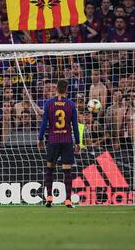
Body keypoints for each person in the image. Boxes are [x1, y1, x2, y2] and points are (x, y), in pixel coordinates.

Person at [38, 79, 80, 209]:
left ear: (56, 88)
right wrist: (77, 142)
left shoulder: (49, 103)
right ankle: (68, 200)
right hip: (66, 141)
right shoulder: (71, 104)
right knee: (67, 171)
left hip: (53, 140)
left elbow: (44, 123)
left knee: (50, 169)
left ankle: (49, 198)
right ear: (67, 89)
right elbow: (75, 125)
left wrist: (40, 138)